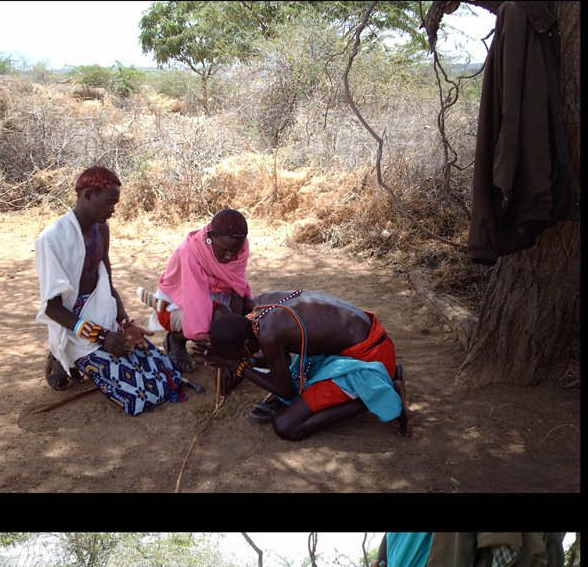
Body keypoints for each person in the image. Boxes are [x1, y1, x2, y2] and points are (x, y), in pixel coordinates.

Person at [35, 166, 188, 417]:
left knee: (168, 373)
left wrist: (125, 323)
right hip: (75, 326)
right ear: (87, 194)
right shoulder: (51, 239)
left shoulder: (101, 230)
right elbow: (52, 308)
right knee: (143, 396)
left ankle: (75, 361)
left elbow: (107, 284)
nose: (113, 210)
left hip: (104, 317)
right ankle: (62, 356)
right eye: (109, 203)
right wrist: (101, 336)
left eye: (115, 203)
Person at [203, 288, 408, 440]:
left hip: (371, 357)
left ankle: (377, 390)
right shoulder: (262, 305)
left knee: (286, 426)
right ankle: (383, 376)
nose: (244, 358)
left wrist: (237, 366)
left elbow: (287, 392)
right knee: (298, 378)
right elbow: (274, 360)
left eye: (242, 354)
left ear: (248, 344)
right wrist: (232, 357)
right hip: (372, 338)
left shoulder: (269, 336)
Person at [131, 208, 255, 372]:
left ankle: (229, 350)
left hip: (217, 298)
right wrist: (214, 335)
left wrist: (235, 333)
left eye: (235, 251)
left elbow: (237, 286)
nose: (231, 257)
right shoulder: (191, 252)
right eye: (224, 251)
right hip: (177, 305)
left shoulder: (240, 246)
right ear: (210, 239)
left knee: (250, 309)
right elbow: (197, 303)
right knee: (220, 317)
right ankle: (176, 340)